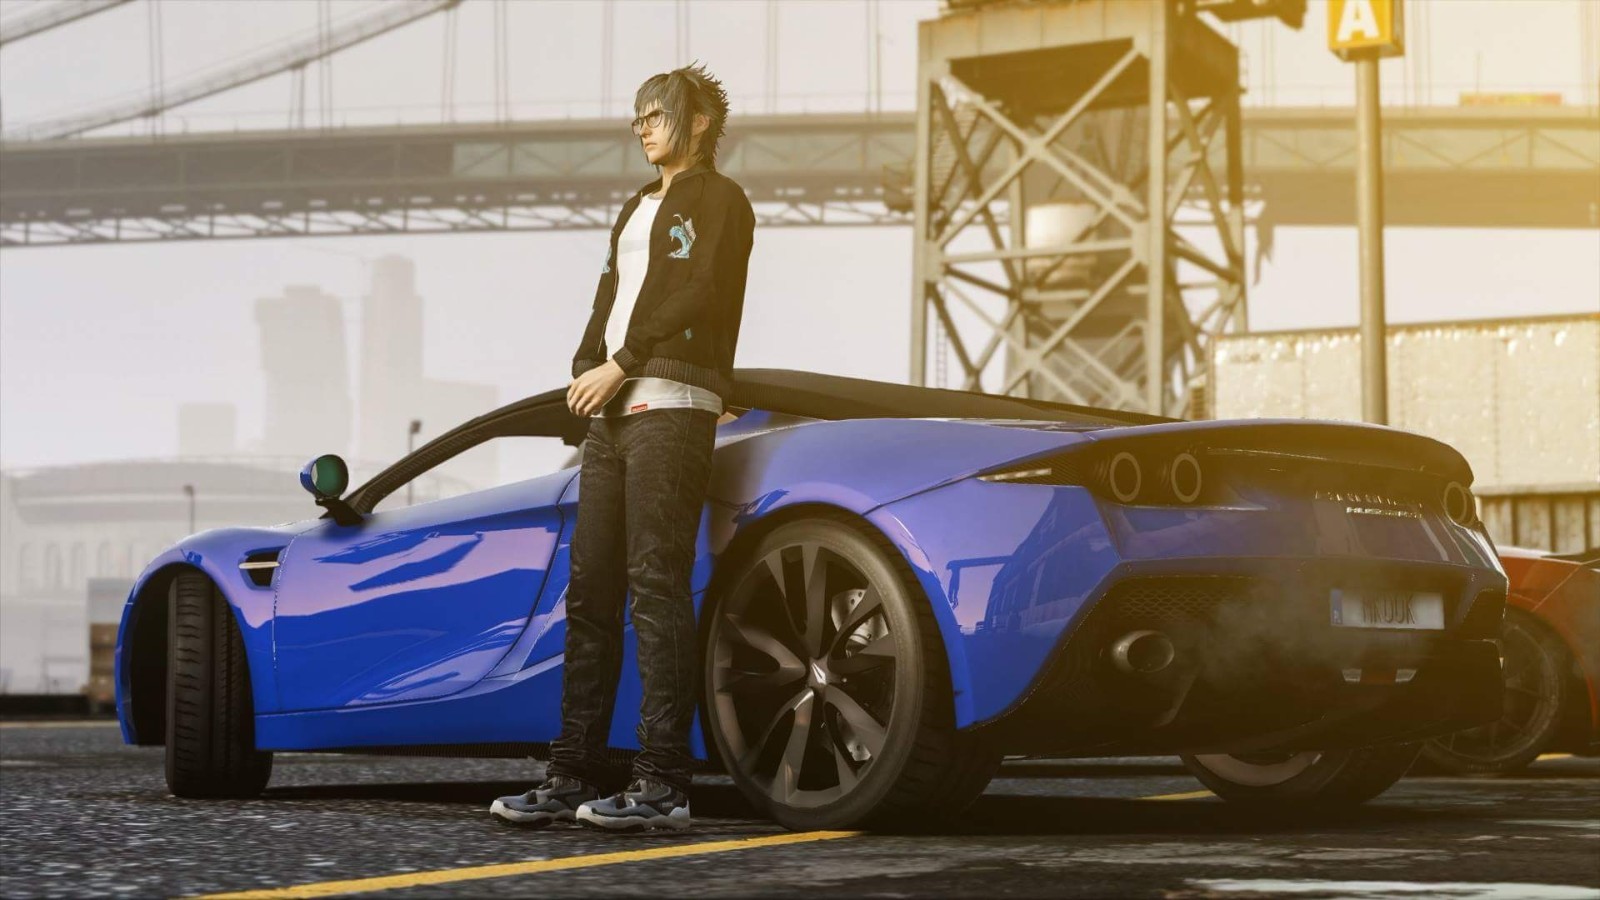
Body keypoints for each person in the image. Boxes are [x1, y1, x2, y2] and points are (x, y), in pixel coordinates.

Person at [490, 62, 755, 833]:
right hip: (610, 413)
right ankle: (573, 771)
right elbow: (609, 295)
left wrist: (626, 361)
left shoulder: (721, 200)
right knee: (591, 595)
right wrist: (587, 363)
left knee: (655, 588)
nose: (642, 126)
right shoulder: (637, 206)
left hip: (671, 402)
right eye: (637, 116)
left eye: (656, 113)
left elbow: (701, 291)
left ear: (698, 121)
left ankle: (664, 783)